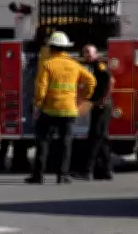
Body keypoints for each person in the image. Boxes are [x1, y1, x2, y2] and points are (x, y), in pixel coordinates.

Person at [25, 31, 96, 185]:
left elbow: (41, 88)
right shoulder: (75, 65)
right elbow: (91, 81)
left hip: (50, 109)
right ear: (65, 48)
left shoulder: (47, 64)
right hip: (69, 110)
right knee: (66, 143)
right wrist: (83, 97)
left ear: (51, 48)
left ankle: (38, 175)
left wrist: (38, 104)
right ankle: (62, 175)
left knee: (43, 142)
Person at [76, 44, 114, 180]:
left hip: (103, 106)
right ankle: (107, 171)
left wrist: (103, 99)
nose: (87, 55)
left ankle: (87, 171)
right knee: (102, 139)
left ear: (96, 53)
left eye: (89, 52)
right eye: (85, 52)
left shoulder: (99, 65)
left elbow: (110, 80)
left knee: (94, 137)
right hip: (97, 105)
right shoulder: (91, 67)